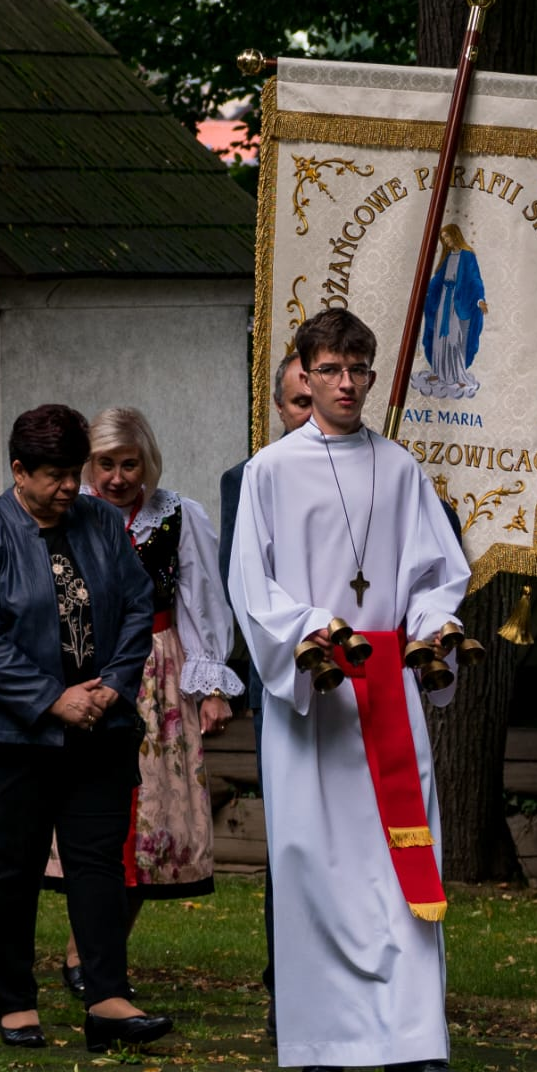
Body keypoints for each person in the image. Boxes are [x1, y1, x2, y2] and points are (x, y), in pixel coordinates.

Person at [228, 308, 473, 1072]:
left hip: (389, 689)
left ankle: (412, 1046)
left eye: (357, 370)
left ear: (371, 375)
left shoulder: (401, 469)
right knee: (313, 864)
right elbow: (251, 587)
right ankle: (322, 1044)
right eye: (329, 369)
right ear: (303, 371)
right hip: (317, 697)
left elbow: (439, 572)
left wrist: (435, 628)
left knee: (400, 864)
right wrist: (308, 631)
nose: (344, 383)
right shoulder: (270, 471)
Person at [0, 405, 169, 1053]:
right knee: (11, 869)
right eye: (54, 475)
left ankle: (106, 998)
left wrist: (110, 687)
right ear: (18, 471)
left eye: (75, 472)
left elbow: (136, 605)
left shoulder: (101, 522)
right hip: (15, 737)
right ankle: (15, 1001)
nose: (71, 486)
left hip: (102, 726)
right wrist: (52, 699)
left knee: (97, 862)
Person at [50, 407, 241, 992]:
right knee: (93, 818)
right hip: (85, 669)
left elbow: (201, 599)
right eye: (104, 464)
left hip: (158, 673)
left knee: (152, 822)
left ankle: (97, 954)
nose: (116, 478)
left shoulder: (178, 517)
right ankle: (84, 951)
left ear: (147, 463)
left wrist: (210, 688)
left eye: (128, 464)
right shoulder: (65, 515)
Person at [217, 350, 315, 1024]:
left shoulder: (386, 470)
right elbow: (245, 582)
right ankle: (292, 986)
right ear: (278, 409)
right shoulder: (249, 478)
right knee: (292, 840)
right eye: (298, 402)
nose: (311, 413)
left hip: (367, 681)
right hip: (286, 677)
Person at [412, 223, 487, 401]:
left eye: (448, 237)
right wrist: (425, 293)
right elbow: (437, 280)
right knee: (440, 337)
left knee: (455, 338)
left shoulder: (468, 256)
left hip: (458, 303)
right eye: (444, 238)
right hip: (443, 302)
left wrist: (480, 299)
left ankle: (458, 375)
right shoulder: (447, 257)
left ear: (456, 235)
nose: (446, 240)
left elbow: (475, 279)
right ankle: (439, 372)